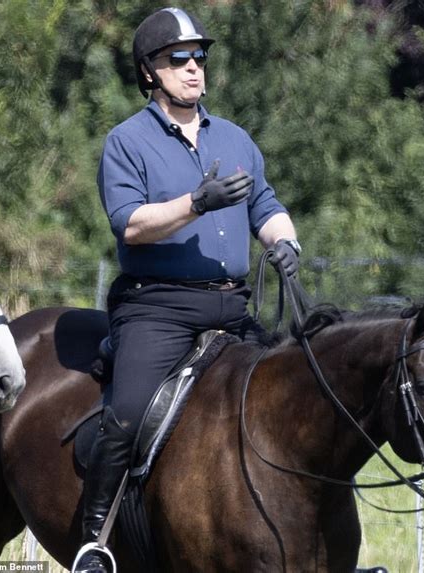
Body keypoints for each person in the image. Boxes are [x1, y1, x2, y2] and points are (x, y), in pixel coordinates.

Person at [73, 7, 301, 572]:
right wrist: (196, 202)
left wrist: (284, 242)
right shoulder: (126, 142)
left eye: (200, 56)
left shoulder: (236, 137)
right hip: (158, 309)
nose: (194, 67)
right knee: (125, 412)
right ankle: (93, 543)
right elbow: (130, 223)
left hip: (233, 305)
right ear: (149, 71)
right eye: (179, 58)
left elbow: (266, 206)